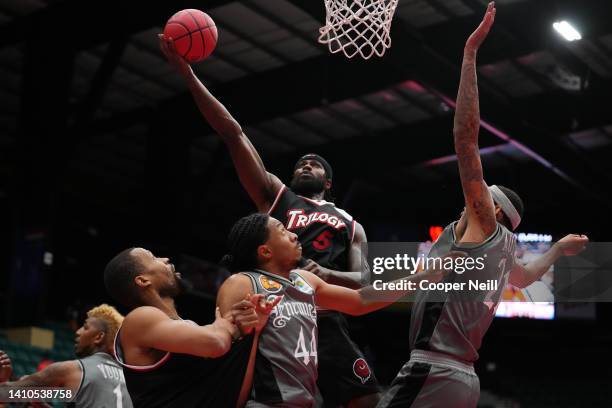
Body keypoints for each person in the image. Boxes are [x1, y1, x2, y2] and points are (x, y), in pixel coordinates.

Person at [377, 3, 589, 407]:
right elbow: (525, 280)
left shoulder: (483, 226)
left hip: (433, 368)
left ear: (491, 210)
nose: (472, 195)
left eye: (481, 196)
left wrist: (470, 54)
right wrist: (559, 249)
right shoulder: (505, 247)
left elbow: (465, 138)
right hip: (462, 378)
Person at [159, 33, 380, 408]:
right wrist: (188, 74)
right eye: (299, 163)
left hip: (325, 312)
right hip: (275, 311)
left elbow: (366, 283)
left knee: (368, 398)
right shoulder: (275, 196)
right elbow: (233, 133)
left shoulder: (350, 223)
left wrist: (328, 276)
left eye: (315, 164)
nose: (304, 164)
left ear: (328, 182)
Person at [216, 213, 448, 407]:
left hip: (306, 401)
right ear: (265, 251)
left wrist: (424, 277)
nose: (295, 234)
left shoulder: (304, 279)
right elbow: (224, 350)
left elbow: (360, 300)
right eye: (283, 231)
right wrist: (243, 329)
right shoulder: (242, 282)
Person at [103, 247, 278, 408]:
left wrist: (254, 329)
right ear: (143, 280)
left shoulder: (188, 327)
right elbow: (217, 344)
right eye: (153, 257)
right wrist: (224, 324)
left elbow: (231, 392)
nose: (165, 259)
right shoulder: (140, 318)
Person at [0, 304, 133, 408]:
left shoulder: (71, 370)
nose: (77, 332)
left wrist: (3, 380)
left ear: (98, 337)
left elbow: (6, 393)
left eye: (85, 327)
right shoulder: (128, 379)